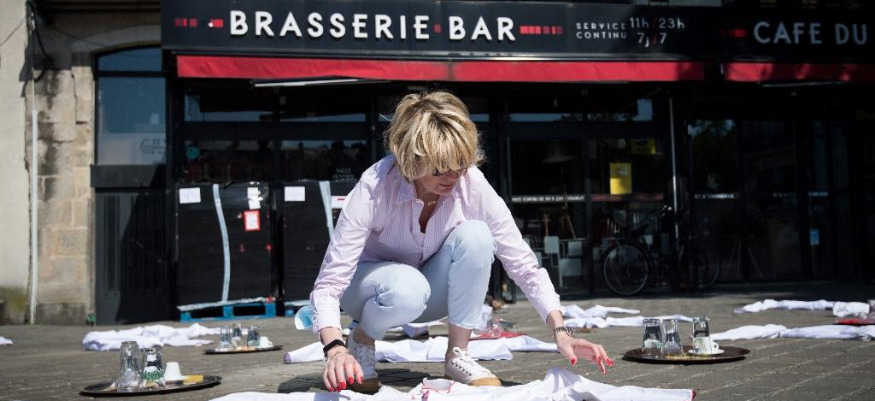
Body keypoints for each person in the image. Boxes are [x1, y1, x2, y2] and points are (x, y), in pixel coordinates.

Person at [309, 91, 612, 393]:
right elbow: (329, 283)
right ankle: (362, 340)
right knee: (407, 287)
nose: (453, 178)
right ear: (412, 159)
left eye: (461, 165)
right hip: (365, 293)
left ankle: (458, 354)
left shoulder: (471, 183)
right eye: (440, 169)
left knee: (477, 235)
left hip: (428, 294)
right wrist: (335, 349)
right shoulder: (376, 185)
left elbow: (523, 264)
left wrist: (560, 331)